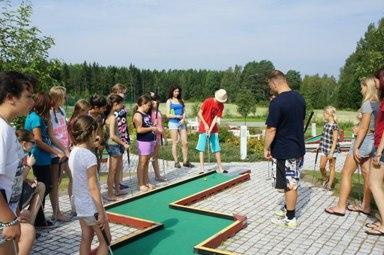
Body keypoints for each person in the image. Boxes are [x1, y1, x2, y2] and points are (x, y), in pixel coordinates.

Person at [325, 77, 378, 216]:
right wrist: (359, 126)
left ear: (367, 87)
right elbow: (371, 126)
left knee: (346, 173)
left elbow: (364, 128)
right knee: (367, 174)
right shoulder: (378, 103)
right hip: (372, 141)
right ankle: (366, 206)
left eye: (362, 86)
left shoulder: (367, 104)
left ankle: (340, 207)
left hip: (363, 141)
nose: (361, 89)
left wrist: (356, 147)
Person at [264, 70, 306, 228]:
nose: (271, 88)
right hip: (297, 147)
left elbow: (271, 130)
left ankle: (290, 218)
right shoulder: (299, 98)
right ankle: (287, 208)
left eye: (270, 85)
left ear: (274, 83)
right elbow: (300, 124)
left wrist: (266, 148)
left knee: (289, 184)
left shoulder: (277, 102)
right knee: (290, 181)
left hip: (284, 149)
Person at [0, 71, 35, 255]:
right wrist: (9, 220)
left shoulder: (7, 127)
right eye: (28, 96)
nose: (32, 102)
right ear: (10, 97)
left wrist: (15, 211)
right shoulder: (1, 131)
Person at [68, 115, 111, 254]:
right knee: (106, 240)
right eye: (95, 132)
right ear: (91, 132)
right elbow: (93, 188)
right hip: (91, 206)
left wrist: (93, 144)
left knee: (87, 237)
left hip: (79, 202)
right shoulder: (89, 156)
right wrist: (101, 213)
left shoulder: (74, 151)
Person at [24, 92, 65, 228]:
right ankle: (34, 218)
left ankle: (39, 220)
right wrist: (56, 152)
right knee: (44, 187)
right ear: (43, 105)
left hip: (44, 157)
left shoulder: (39, 117)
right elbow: (38, 140)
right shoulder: (35, 119)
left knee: (46, 186)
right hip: (39, 157)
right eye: (48, 106)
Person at [49, 86, 72, 221]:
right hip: (57, 153)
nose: (65, 99)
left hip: (66, 150)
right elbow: (52, 136)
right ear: (56, 98)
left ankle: (74, 205)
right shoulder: (50, 113)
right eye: (63, 97)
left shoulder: (62, 111)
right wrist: (63, 150)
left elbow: (65, 129)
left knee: (72, 177)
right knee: (56, 183)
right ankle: (56, 212)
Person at [15, 129, 46, 226]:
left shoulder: (18, 153)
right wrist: (29, 165)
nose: (34, 145)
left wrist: (28, 180)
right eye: (32, 142)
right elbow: (18, 180)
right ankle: (30, 225)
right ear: (23, 143)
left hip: (11, 193)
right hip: (11, 198)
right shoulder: (17, 155)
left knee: (40, 185)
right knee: (41, 186)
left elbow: (17, 177)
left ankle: (30, 224)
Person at [366, 69, 384, 235]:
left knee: (374, 184)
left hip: (382, 148)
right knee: (377, 184)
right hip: (380, 146)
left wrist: (379, 151)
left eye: (377, 79)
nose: (376, 82)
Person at [196, 89, 228, 174]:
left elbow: (215, 118)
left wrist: (210, 129)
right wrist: (206, 125)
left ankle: (220, 168)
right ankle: (202, 169)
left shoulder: (221, 105)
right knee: (201, 148)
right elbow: (199, 113)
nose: (220, 102)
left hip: (213, 129)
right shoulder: (208, 101)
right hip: (203, 127)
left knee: (216, 148)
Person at [104, 94, 129, 201]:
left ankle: (117, 190)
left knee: (117, 169)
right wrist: (124, 143)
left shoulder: (111, 115)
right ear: (115, 104)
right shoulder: (112, 117)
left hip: (116, 145)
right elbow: (112, 135)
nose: (123, 105)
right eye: (121, 103)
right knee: (112, 170)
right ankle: (110, 194)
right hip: (113, 145)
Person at [133, 95, 159, 192]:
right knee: (142, 163)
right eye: (148, 105)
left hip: (149, 141)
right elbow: (139, 130)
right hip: (143, 142)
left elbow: (147, 125)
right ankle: (141, 184)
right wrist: (151, 128)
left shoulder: (145, 114)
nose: (149, 107)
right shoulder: (138, 115)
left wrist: (153, 125)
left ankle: (146, 181)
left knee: (146, 163)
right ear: (143, 104)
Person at [165, 85, 194, 168]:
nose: (177, 93)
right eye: (175, 91)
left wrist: (183, 118)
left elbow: (184, 112)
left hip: (181, 123)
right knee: (175, 142)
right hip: (173, 123)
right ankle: (176, 161)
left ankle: (186, 161)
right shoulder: (169, 101)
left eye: (178, 91)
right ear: (172, 92)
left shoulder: (181, 100)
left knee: (185, 142)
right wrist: (177, 116)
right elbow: (167, 115)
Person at [110, 84, 130, 190]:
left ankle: (119, 182)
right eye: (123, 92)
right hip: (116, 134)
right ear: (117, 92)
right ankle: (113, 183)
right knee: (115, 161)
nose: (124, 94)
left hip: (123, 132)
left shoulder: (122, 104)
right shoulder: (113, 104)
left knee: (120, 159)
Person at [318, 106, 340, 190]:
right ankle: (325, 178)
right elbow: (323, 136)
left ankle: (330, 184)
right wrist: (319, 146)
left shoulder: (334, 126)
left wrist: (331, 152)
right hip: (324, 148)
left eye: (324, 114)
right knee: (321, 166)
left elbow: (335, 140)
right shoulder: (326, 124)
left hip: (332, 150)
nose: (324, 115)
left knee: (331, 167)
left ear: (329, 114)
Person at [149, 92, 167, 182]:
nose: (155, 103)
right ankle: (145, 177)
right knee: (149, 157)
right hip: (151, 136)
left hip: (159, 136)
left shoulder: (158, 112)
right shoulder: (148, 113)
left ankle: (157, 175)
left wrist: (165, 136)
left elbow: (162, 124)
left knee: (155, 156)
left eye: (156, 101)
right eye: (153, 101)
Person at [88, 95, 107, 172]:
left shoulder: (101, 115)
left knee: (97, 168)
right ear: (96, 107)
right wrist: (96, 144)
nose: (105, 110)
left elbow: (100, 128)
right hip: (88, 147)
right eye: (103, 108)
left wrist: (101, 143)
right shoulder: (86, 117)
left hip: (97, 146)